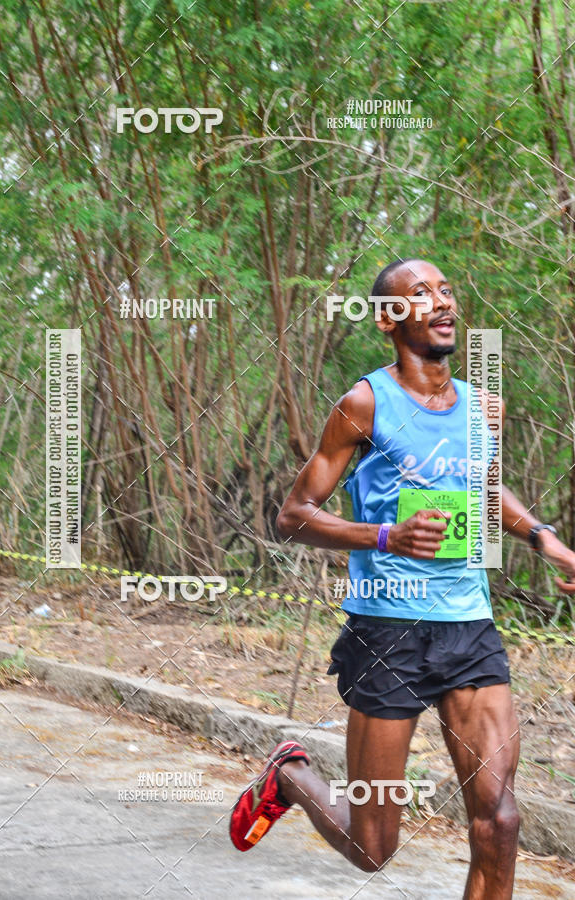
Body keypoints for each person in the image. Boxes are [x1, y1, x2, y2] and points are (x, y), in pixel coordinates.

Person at [229, 259, 575, 899]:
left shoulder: (483, 407)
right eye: (421, 294)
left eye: (446, 290)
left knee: (500, 822)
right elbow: (292, 517)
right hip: (387, 633)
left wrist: (544, 539)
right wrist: (386, 536)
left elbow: (487, 489)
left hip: (469, 629)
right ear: (390, 318)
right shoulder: (364, 403)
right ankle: (294, 774)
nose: (442, 302)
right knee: (373, 846)